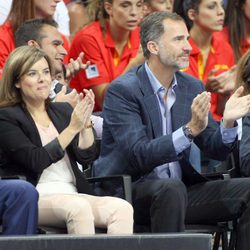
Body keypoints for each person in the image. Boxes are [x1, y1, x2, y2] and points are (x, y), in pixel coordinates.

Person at [94, 12, 250, 250]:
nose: (188, 47)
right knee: (170, 188)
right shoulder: (123, 91)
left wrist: (228, 123)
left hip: (182, 192)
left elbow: (214, 149)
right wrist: (188, 131)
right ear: (153, 46)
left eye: (187, 39)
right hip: (130, 192)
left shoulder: (191, 86)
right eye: (178, 40)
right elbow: (138, 154)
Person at [0, 46, 133, 235]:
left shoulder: (60, 111)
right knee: (78, 208)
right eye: (32, 73)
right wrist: (72, 128)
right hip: (36, 196)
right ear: (17, 82)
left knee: (121, 208)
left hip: (72, 192)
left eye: (46, 72)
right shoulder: (7, 117)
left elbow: (86, 157)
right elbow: (35, 160)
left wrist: (85, 123)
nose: (43, 79)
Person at [15, 18, 103, 133]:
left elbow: (94, 128)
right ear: (33, 46)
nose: (64, 51)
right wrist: (58, 109)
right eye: (56, 44)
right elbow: (32, 143)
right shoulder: (12, 91)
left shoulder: (58, 87)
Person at [68, 0, 144, 111]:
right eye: (125, 5)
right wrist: (134, 64)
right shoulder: (88, 39)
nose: (134, 12)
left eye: (139, 5)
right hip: (88, 116)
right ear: (109, 8)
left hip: (126, 110)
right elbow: (104, 101)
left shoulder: (141, 35)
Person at [181, 0, 236, 122]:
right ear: (192, 14)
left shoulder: (225, 48)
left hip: (217, 128)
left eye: (222, 6)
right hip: (186, 126)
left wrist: (225, 94)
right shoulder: (179, 49)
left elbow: (222, 112)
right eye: (211, 7)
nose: (221, 12)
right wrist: (205, 88)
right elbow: (174, 108)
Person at [0, 0, 70, 79]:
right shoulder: (2, 38)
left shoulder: (61, 41)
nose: (58, 0)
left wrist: (66, 79)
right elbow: (4, 87)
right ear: (32, 45)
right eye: (55, 44)